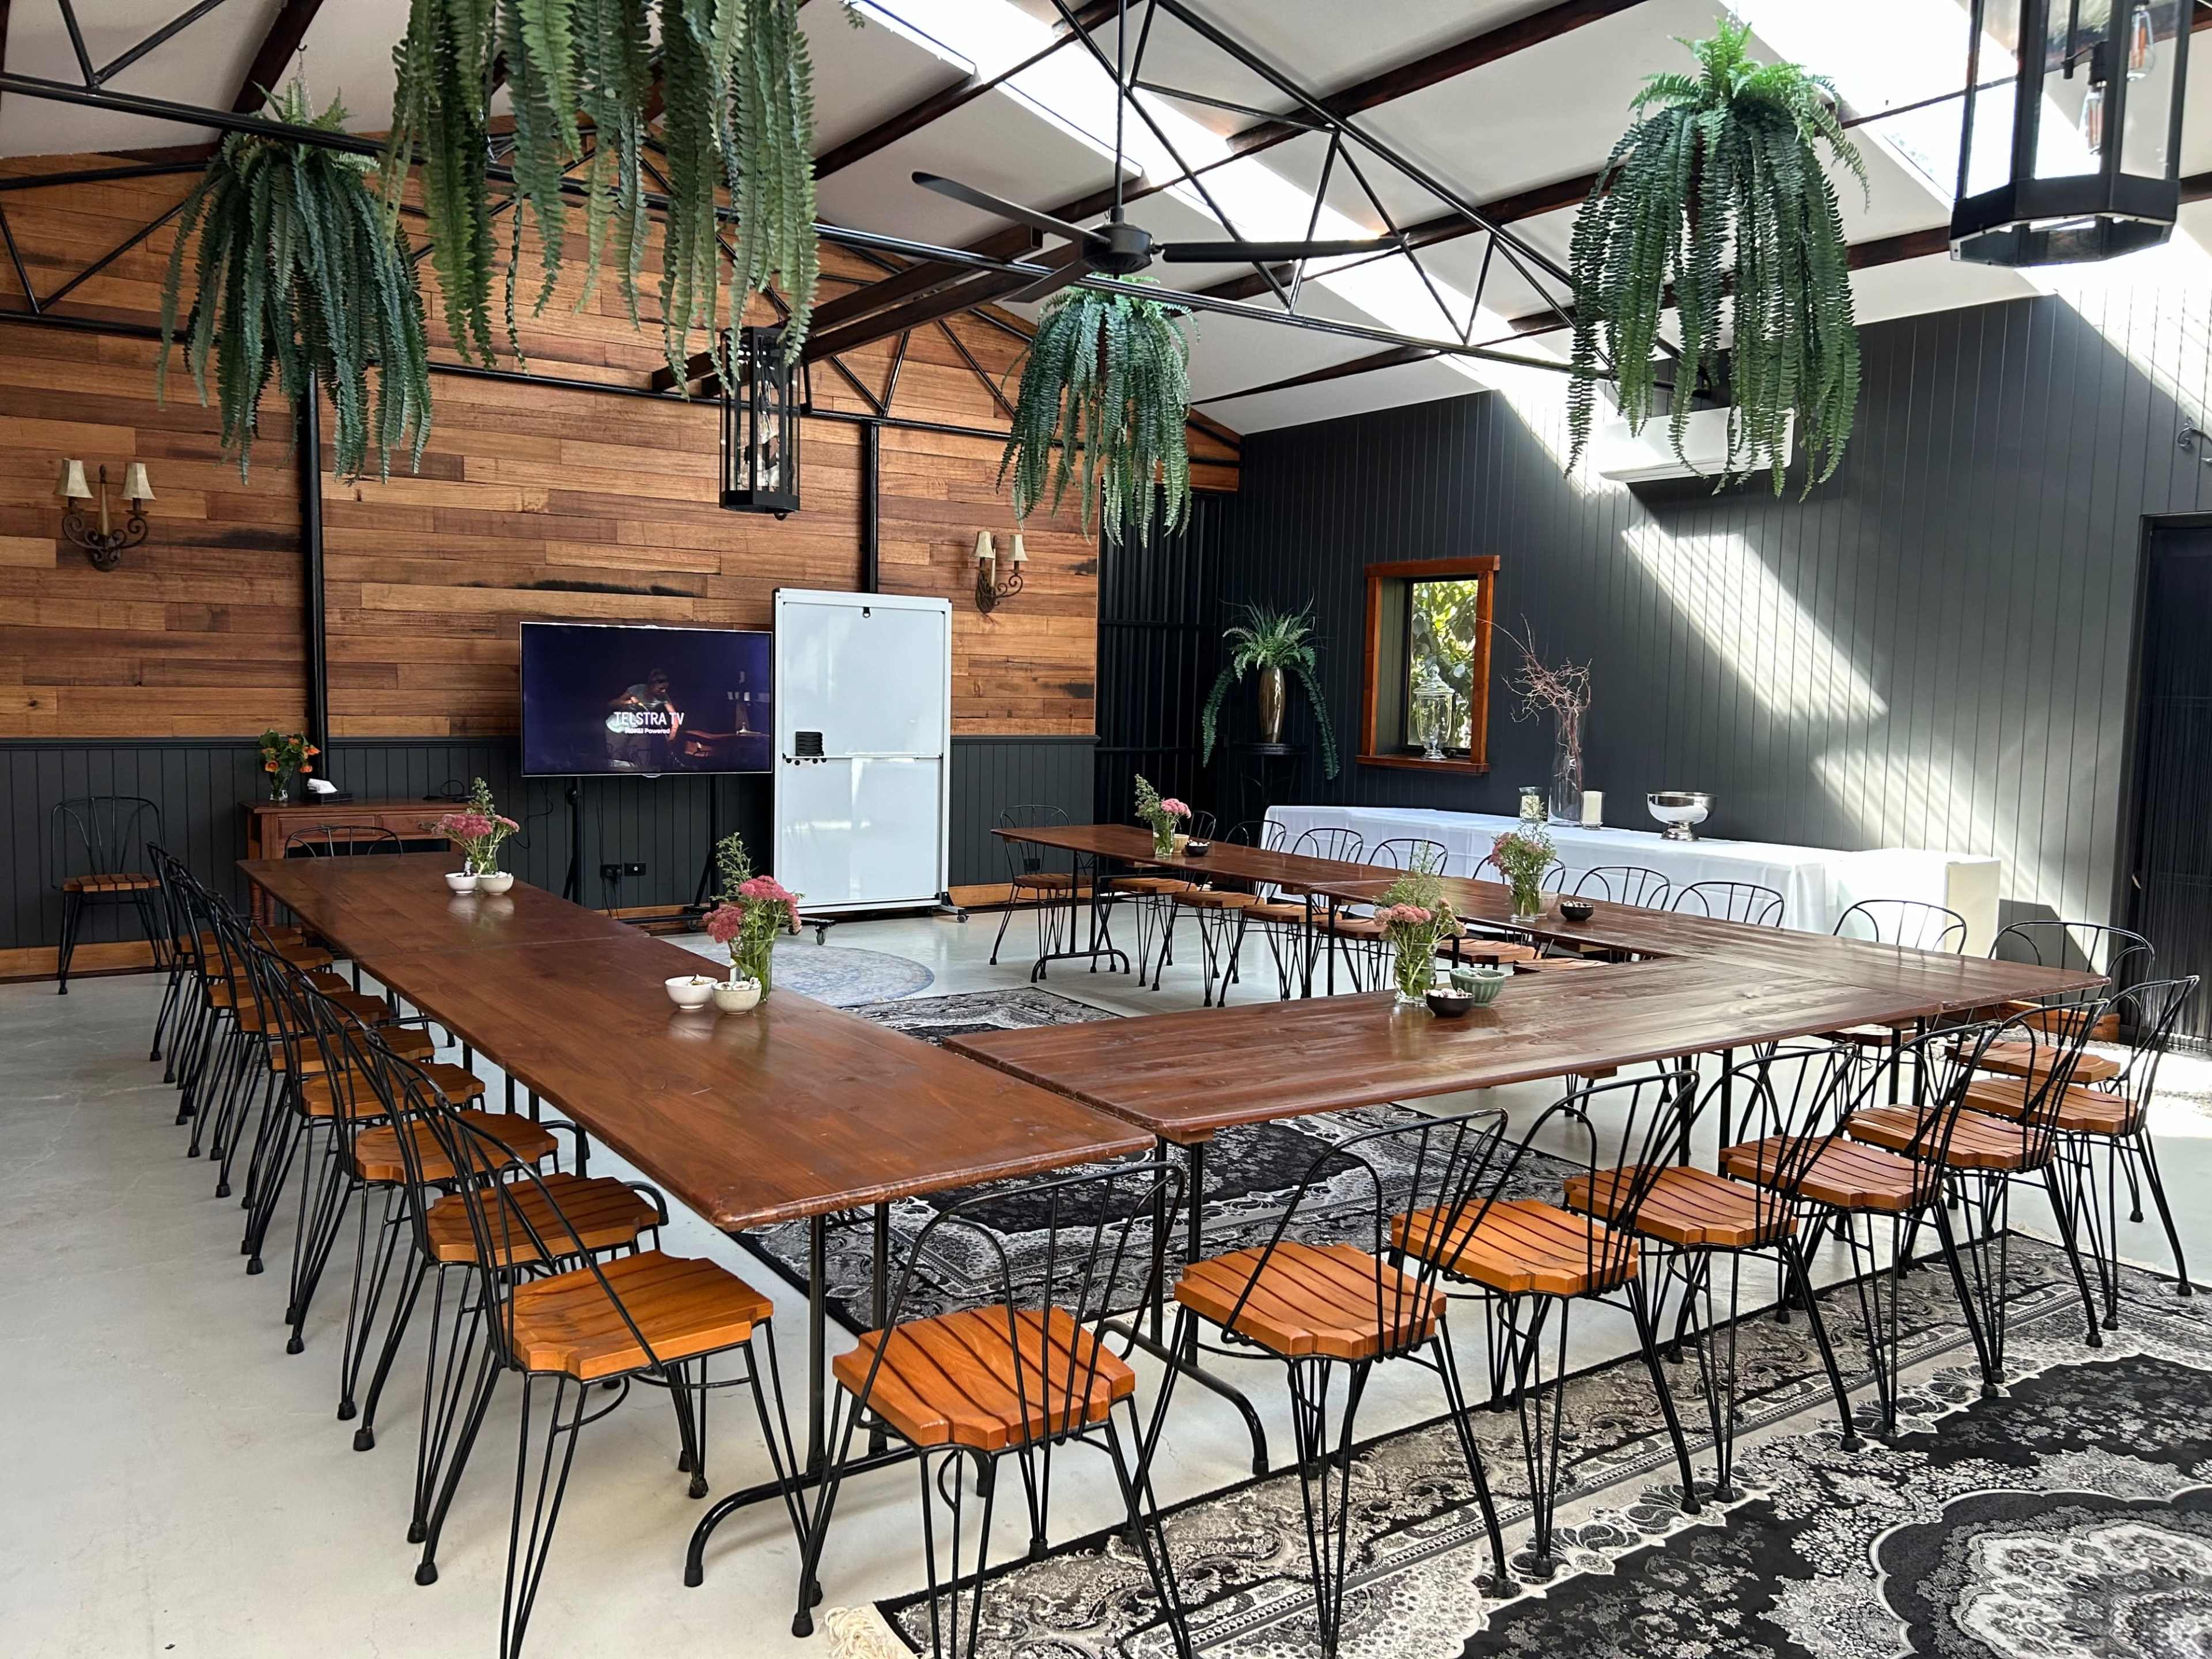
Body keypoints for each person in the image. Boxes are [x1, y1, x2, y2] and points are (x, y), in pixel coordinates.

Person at [605, 666, 684, 770]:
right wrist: (629, 702)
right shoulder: (637, 689)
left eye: (665, 689)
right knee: (617, 762)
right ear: (652, 685)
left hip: (639, 728)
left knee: (642, 763)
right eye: (661, 688)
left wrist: (672, 736)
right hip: (618, 728)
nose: (663, 691)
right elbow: (613, 704)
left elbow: (675, 717)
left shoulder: (663, 697)